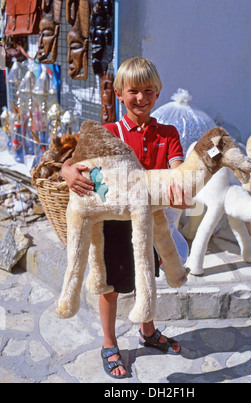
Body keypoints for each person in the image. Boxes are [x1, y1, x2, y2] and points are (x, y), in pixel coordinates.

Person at [61, 57, 192, 379]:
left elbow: (178, 170)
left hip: (149, 222)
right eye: (133, 91)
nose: (141, 98)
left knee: (146, 278)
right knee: (110, 286)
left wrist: (181, 186)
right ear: (119, 93)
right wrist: (66, 171)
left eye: (149, 91)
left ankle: (147, 331)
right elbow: (71, 163)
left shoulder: (168, 133)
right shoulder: (108, 133)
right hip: (112, 225)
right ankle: (108, 342)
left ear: (158, 94)